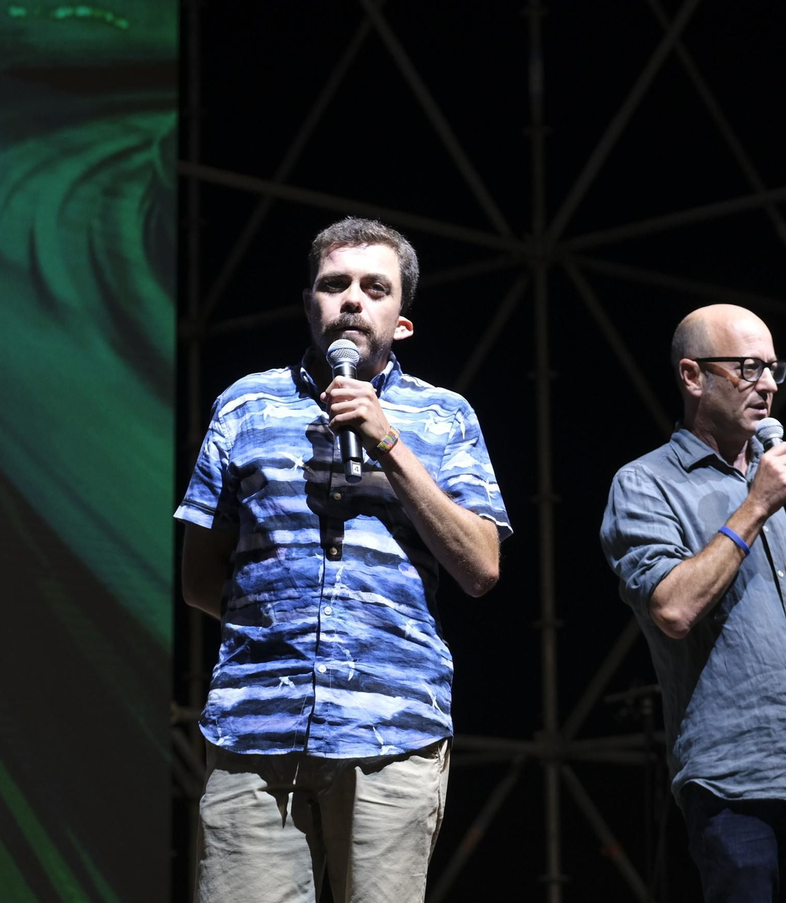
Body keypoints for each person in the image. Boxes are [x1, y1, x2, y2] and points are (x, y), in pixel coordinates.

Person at [176, 217, 511, 903]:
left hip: (393, 729)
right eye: (336, 284)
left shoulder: (445, 418)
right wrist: (275, 631)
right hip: (254, 732)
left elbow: (480, 566)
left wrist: (388, 441)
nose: (353, 299)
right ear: (309, 305)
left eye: (374, 287)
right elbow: (200, 575)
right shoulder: (244, 405)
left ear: (402, 318)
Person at [599, 304, 786, 903]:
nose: (768, 384)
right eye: (748, 368)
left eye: (773, 368)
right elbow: (673, 610)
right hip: (734, 779)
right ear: (692, 376)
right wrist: (754, 505)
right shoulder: (646, 484)